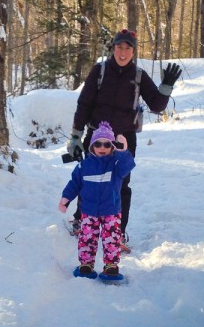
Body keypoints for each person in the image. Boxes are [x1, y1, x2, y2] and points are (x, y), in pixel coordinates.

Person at [65, 28, 181, 251]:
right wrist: (76, 136)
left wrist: (166, 86)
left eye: (128, 48)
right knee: (89, 178)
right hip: (97, 136)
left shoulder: (138, 76)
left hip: (123, 140)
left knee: (120, 184)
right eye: (119, 47)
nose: (123, 52)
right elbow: (84, 104)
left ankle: (117, 232)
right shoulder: (99, 71)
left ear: (133, 51)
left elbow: (157, 105)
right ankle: (81, 220)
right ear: (113, 48)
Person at [59, 121, 136, 277]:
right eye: (98, 144)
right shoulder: (84, 165)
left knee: (112, 240)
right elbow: (74, 183)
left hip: (111, 211)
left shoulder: (116, 164)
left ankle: (111, 266)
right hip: (88, 211)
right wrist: (65, 198)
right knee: (87, 239)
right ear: (92, 146)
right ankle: (86, 264)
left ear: (112, 147)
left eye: (107, 144)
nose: (102, 148)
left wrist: (123, 151)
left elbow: (128, 166)